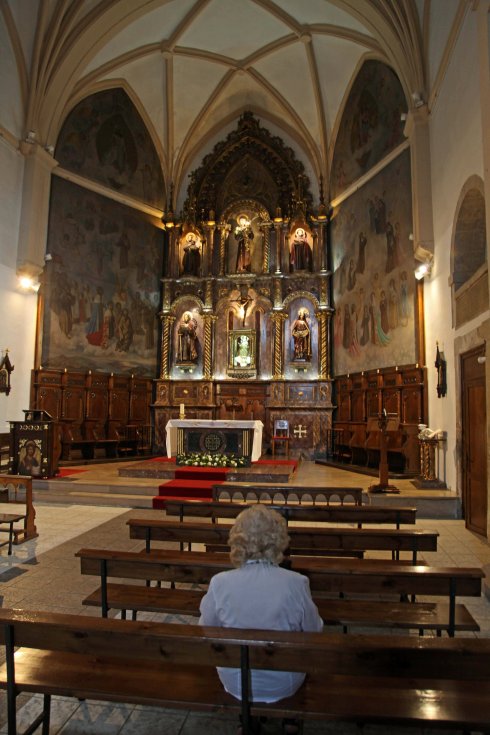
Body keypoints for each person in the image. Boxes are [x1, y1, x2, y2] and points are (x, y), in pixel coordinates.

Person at [199, 504, 323, 731]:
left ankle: (248, 720)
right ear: (279, 540)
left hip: (236, 680)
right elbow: (314, 631)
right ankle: (290, 720)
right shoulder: (296, 583)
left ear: (237, 539)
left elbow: (206, 627)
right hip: (284, 682)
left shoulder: (220, 582)